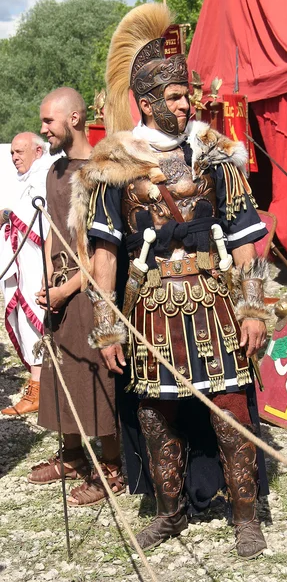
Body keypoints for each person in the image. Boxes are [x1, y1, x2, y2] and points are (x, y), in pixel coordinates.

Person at [69, 4, 270, 557]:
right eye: (176, 96)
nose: (187, 104)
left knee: (230, 409)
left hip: (211, 300)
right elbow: (105, 254)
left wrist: (253, 310)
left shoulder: (215, 158)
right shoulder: (117, 165)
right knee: (157, 414)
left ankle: (245, 515)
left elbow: (249, 238)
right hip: (152, 305)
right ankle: (169, 511)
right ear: (149, 101)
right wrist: (108, 327)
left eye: (188, 94)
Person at [29, 87, 125, 507]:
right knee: (59, 373)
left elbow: (101, 248)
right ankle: (72, 456)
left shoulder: (100, 172)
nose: (43, 128)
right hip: (59, 289)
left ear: (75, 118)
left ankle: (112, 467)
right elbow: (53, 230)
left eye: (49, 121)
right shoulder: (53, 171)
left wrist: (68, 289)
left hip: (88, 290)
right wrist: (49, 280)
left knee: (94, 377)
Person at [0, 132, 51, 416]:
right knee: (25, 323)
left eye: (20, 152)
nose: (15, 157)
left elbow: (44, 221)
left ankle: (38, 389)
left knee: (36, 324)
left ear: (38, 152)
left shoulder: (44, 178)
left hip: (39, 265)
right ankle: (37, 387)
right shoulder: (22, 181)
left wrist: (9, 214)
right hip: (24, 265)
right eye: (12, 153)